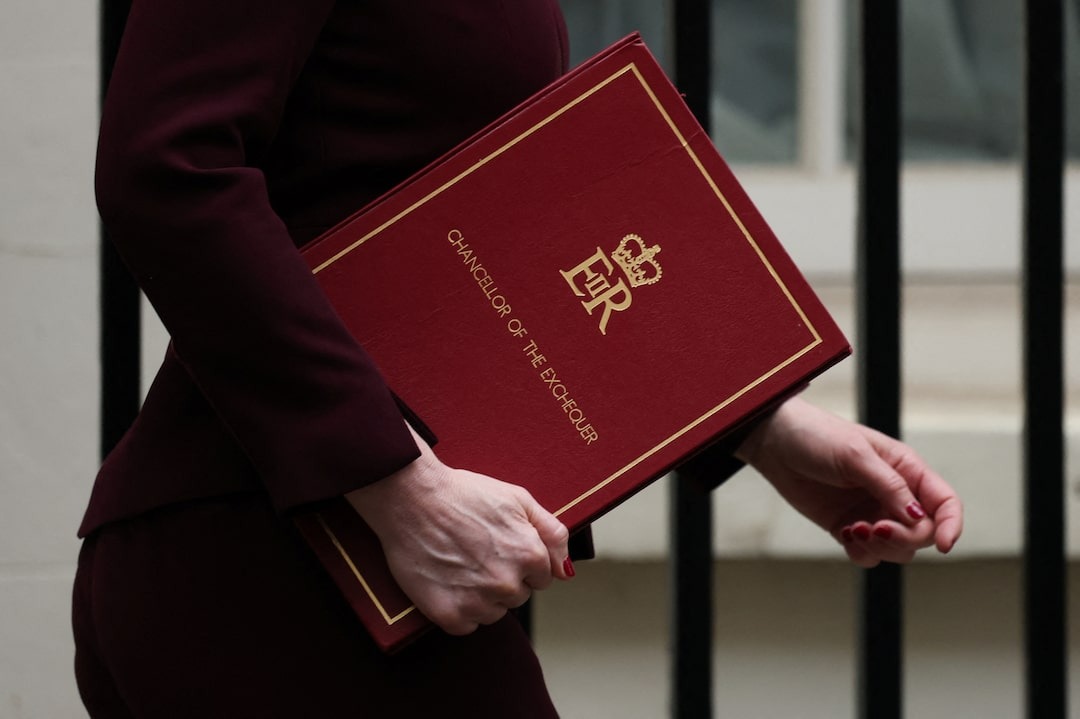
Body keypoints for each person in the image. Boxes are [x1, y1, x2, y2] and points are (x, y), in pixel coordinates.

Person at [73, 1, 963, 717]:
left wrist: (761, 426)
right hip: (266, 565)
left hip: (350, 576)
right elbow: (168, 167)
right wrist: (393, 482)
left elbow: (498, 243)